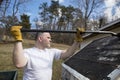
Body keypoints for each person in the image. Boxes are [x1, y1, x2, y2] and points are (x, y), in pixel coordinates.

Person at [10, 26, 84, 80]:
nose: (50, 40)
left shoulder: (51, 52)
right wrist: (18, 39)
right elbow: (19, 64)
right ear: (40, 38)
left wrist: (77, 41)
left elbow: (68, 53)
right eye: (48, 38)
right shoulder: (27, 52)